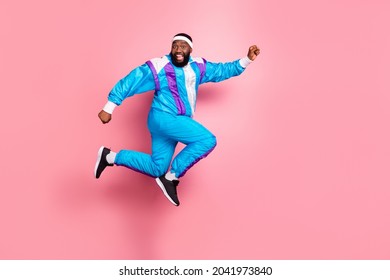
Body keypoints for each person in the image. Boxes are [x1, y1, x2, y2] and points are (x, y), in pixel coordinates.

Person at [95, 33, 260, 206]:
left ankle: (110, 157)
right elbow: (133, 80)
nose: (178, 50)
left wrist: (247, 60)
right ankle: (171, 177)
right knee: (207, 140)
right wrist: (110, 106)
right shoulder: (161, 65)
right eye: (175, 46)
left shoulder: (198, 67)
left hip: (169, 124)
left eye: (183, 46)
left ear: (190, 49)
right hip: (164, 116)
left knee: (156, 168)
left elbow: (222, 71)